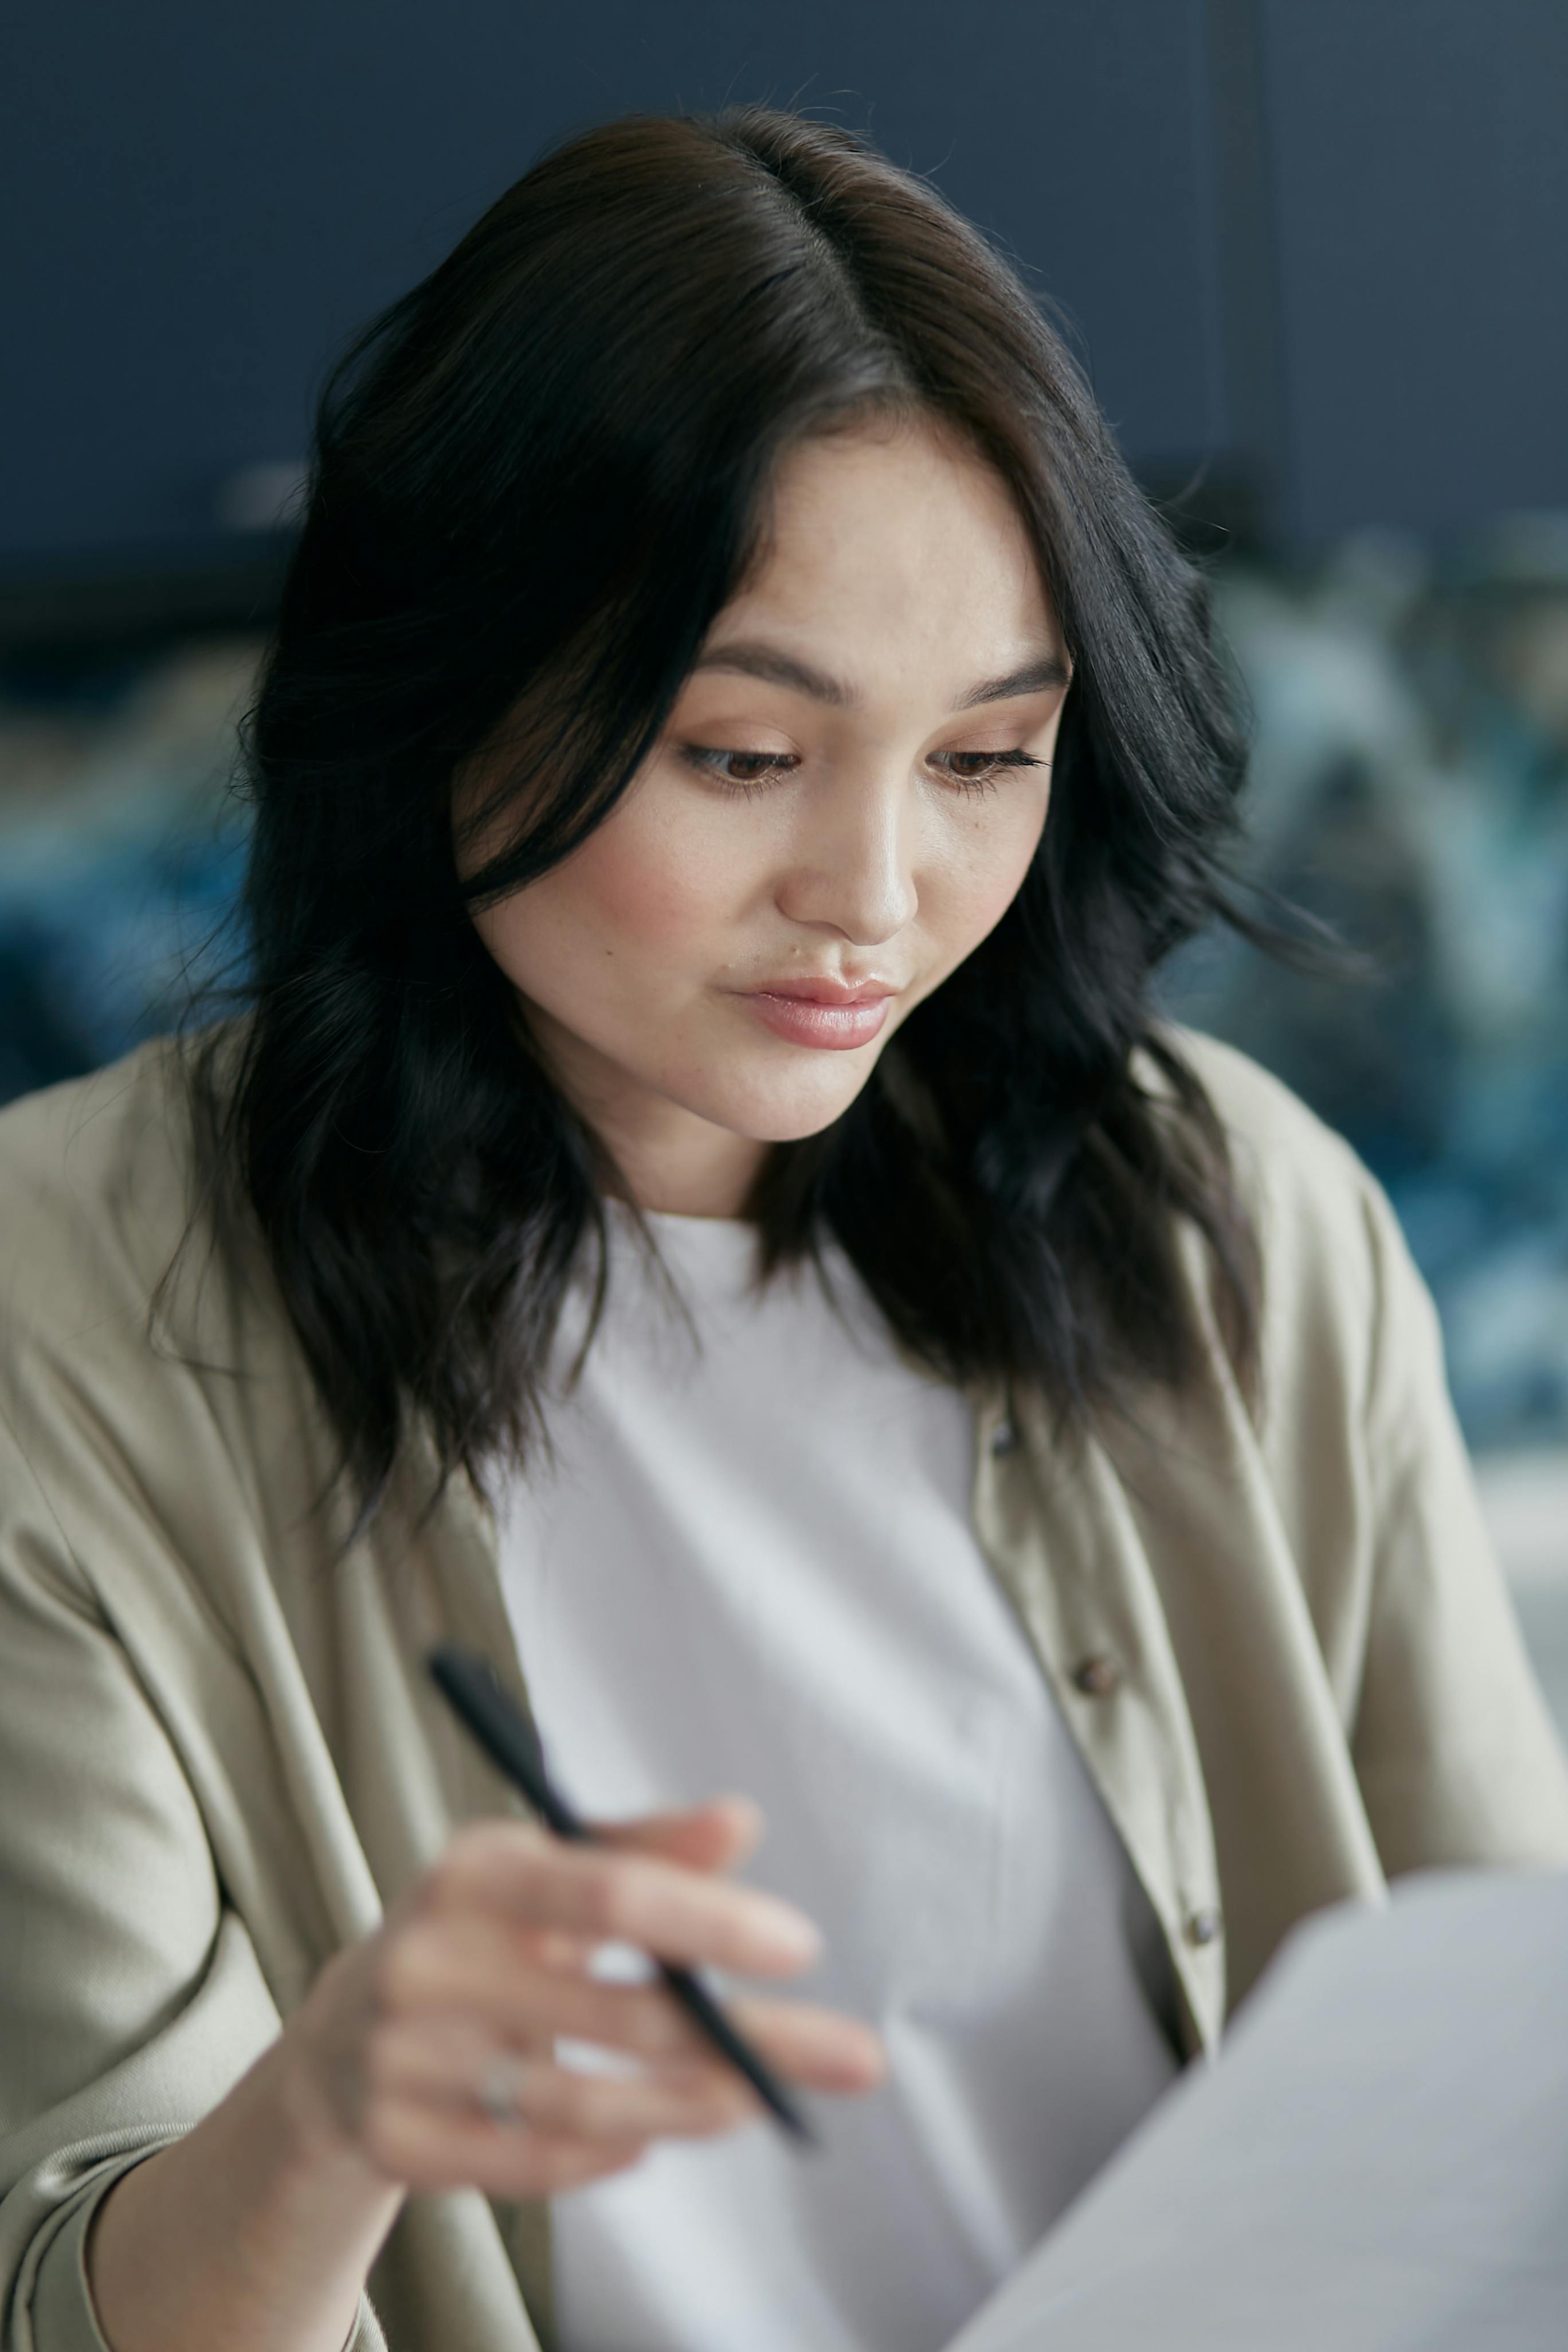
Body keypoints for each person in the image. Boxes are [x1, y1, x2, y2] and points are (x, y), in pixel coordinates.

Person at [1, 105, 1563, 2352]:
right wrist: (331, 2111)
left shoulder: (1234, 1227)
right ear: (444, 695)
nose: (878, 895)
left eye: (980, 759)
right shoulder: (59, 1321)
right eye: (746, 757)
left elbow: (1500, 2088)